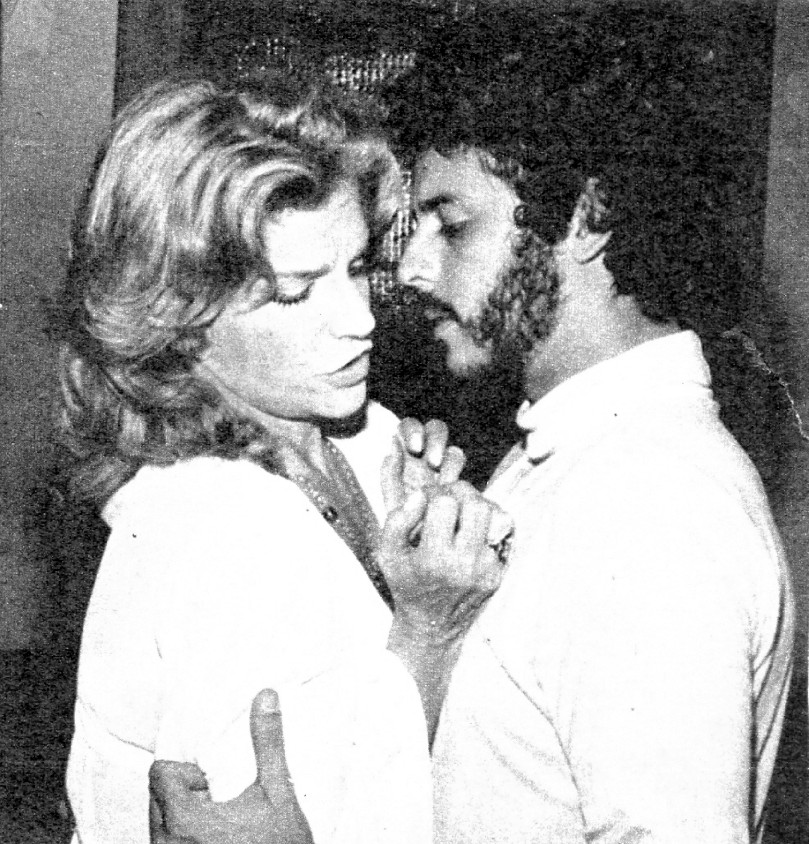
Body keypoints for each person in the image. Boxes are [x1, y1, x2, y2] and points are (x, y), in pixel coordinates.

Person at [149, 20, 796, 844]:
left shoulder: (649, 507)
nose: (412, 269)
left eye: (451, 225)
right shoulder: (567, 454)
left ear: (586, 218)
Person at [55, 75, 508, 844]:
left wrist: (435, 524)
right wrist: (429, 628)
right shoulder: (214, 529)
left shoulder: (355, 435)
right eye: (294, 293)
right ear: (177, 317)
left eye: (356, 267)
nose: (360, 319)